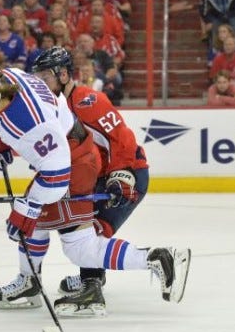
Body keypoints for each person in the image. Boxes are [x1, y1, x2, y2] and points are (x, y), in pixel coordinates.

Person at [0, 65, 191, 316]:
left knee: (79, 247)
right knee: (34, 224)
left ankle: (158, 259)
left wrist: (28, 208)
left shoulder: (32, 125)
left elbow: (56, 177)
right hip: (72, 154)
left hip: (73, 166)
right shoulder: (9, 79)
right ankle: (30, 280)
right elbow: (6, 85)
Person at [30, 46, 163, 299]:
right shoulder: (57, 106)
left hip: (127, 176)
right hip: (100, 179)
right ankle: (91, 279)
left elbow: (121, 138)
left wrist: (121, 175)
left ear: (64, 75)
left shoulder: (86, 100)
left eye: (45, 77)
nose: (41, 84)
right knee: (84, 231)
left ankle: (92, 288)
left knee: (90, 232)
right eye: (37, 78)